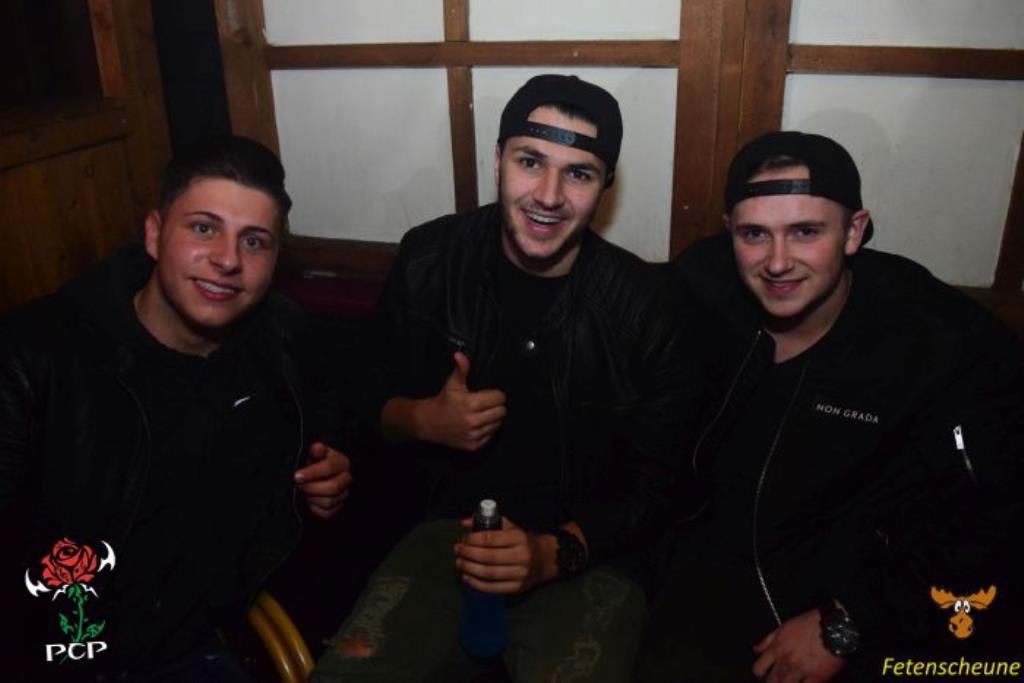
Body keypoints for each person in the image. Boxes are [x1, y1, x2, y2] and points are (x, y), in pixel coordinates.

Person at [312, 74, 697, 682]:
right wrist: (422, 419)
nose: (548, 195)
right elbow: (356, 404)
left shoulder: (647, 309)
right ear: (497, 160)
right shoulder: (429, 259)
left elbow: (661, 490)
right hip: (443, 534)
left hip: (588, 552)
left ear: (605, 187)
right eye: (530, 161)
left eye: (578, 173)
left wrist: (552, 553)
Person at [636, 131, 1024, 682]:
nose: (777, 262)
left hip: (862, 600)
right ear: (730, 234)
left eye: (806, 232)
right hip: (706, 575)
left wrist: (851, 619)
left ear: (854, 231)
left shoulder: (939, 343)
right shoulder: (703, 287)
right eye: (754, 234)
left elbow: (994, 523)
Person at [0, 135, 353, 681]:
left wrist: (327, 478)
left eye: (254, 241)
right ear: (154, 233)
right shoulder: (35, 357)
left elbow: (321, 438)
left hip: (202, 646)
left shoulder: (284, 343)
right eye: (204, 228)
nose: (228, 260)